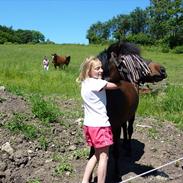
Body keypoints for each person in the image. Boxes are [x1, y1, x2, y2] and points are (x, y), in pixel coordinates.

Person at [77, 56, 119, 183]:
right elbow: (115, 86)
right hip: (100, 125)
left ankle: (85, 181)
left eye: (101, 67)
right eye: (97, 68)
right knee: (104, 157)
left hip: (89, 126)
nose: (101, 70)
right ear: (89, 71)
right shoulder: (97, 83)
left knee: (96, 154)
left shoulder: (85, 82)